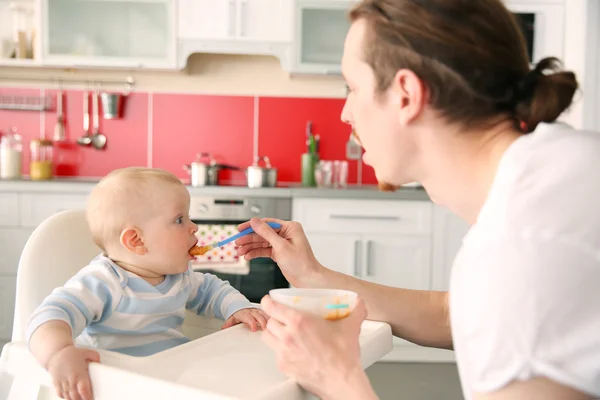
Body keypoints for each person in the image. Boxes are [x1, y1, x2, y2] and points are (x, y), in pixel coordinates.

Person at [235, 0, 600, 399]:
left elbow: (502, 295)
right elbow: (454, 313)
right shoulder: (562, 167)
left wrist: (336, 378)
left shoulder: (521, 246)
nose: (344, 113)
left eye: (353, 88)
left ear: (406, 94)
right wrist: (314, 278)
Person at [27, 167, 268, 400]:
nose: (194, 227)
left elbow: (211, 290)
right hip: (119, 387)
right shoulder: (104, 282)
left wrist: (238, 307)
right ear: (136, 240)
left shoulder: (179, 276)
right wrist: (59, 353)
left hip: (172, 380)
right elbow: (51, 315)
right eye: (179, 219)